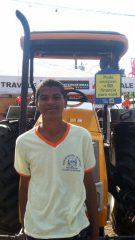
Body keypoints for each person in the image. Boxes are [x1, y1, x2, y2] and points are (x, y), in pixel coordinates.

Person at [14, 79, 99, 240]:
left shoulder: (82, 137)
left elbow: (89, 184)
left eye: (56, 97)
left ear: (65, 102)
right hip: (37, 231)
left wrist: (95, 232)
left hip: (74, 229)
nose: (50, 102)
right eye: (44, 98)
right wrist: (25, 227)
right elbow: (24, 187)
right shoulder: (24, 142)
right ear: (37, 104)